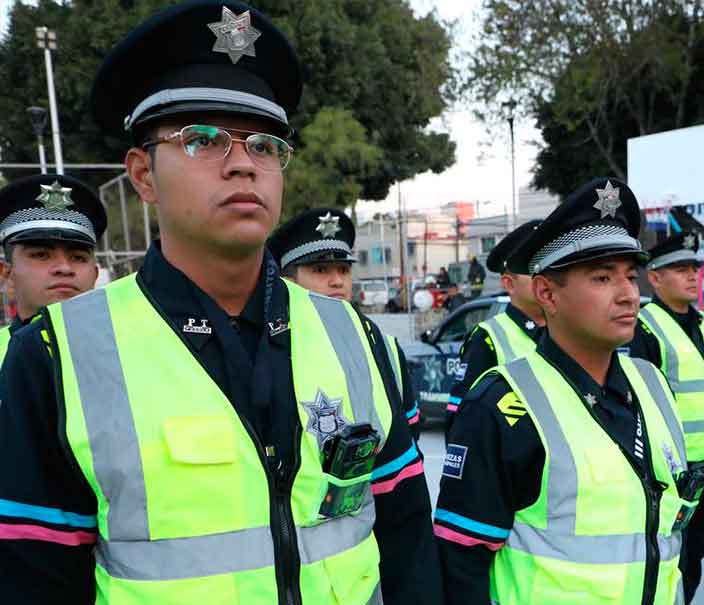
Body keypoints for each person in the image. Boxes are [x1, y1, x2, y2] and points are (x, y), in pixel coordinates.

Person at [0, 3, 439, 603]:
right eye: (201, 139)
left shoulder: (358, 341)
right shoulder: (56, 358)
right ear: (143, 174)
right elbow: (34, 579)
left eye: (264, 144)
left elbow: (409, 544)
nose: (241, 164)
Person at [434, 177, 692, 605]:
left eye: (631, 275)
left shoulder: (652, 383)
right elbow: (461, 567)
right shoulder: (501, 405)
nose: (629, 294)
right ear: (547, 293)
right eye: (603, 277)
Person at [626, 230, 704, 602]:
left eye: (693, 268)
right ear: (654, 278)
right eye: (679, 269)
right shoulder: (644, 326)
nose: (691, 276)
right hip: (670, 471)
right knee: (668, 555)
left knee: (694, 557)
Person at [268, 207, 423, 439]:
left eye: (344, 269)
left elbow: (409, 433)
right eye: (320, 270)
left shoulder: (383, 344)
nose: (337, 281)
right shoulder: (270, 346)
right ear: (288, 280)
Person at [445, 220, 544, 422]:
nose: (546, 278)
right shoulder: (489, 339)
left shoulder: (570, 331)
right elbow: (462, 416)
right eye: (534, 270)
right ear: (509, 283)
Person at [0, 175, 107, 359]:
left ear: (95, 274)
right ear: (7, 274)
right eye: (41, 255)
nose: (64, 268)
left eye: (78, 257)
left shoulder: (132, 351)